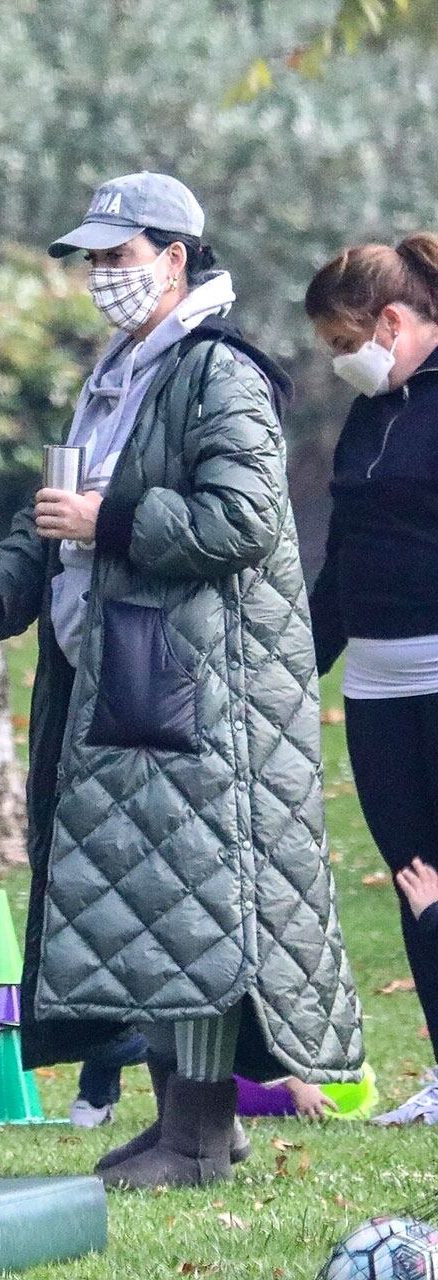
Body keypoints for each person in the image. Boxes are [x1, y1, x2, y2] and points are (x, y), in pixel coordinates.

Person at [0, 172, 364, 1189]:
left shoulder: (221, 373)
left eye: (119, 257)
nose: (101, 277)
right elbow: (53, 517)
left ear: (176, 257)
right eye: (93, 259)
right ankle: (184, 1121)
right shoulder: (121, 372)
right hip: (122, 680)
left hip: (201, 692)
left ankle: (201, 1137)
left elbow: (245, 520)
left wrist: (112, 521)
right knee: (155, 904)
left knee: (193, 902)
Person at [302, 235, 438, 1126]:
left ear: (392, 321)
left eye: (343, 342)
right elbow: (343, 558)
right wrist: (293, 669)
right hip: (380, 690)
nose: (340, 362)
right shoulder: (371, 414)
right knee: (415, 877)